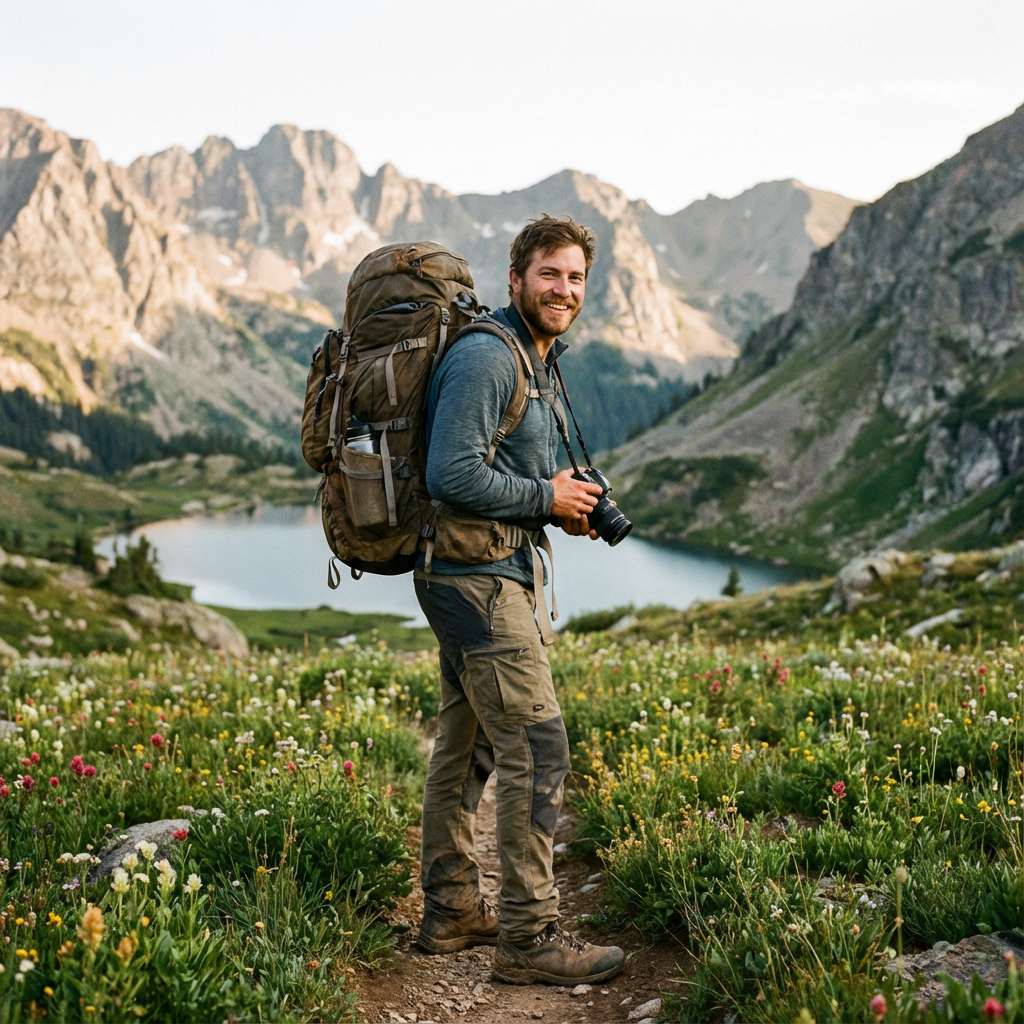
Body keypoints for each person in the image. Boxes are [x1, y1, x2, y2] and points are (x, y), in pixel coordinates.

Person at [413, 215, 625, 986]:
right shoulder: (486, 358)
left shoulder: (534, 357)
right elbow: (450, 475)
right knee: (538, 749)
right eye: (549, 275)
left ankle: (451, 912)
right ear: (516, 279)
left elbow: (498, 482)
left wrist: (560, 506)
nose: (563, 290)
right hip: (475, 583)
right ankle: (530, 938)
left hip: (477, 572)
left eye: (574, 278)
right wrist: (544, 496)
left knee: (467, 749)